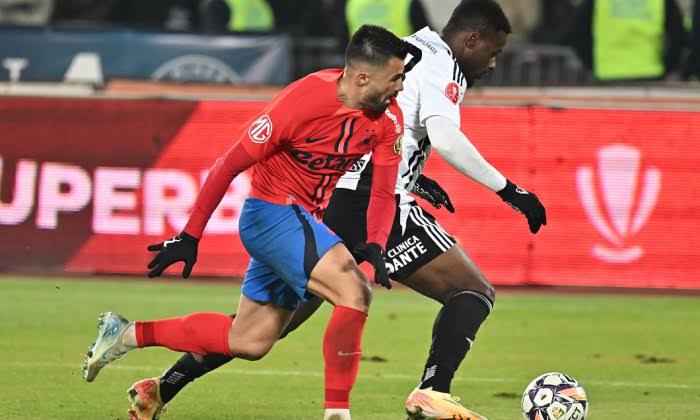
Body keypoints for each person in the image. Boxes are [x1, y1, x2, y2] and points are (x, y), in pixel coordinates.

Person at [125, 1, 547, 419]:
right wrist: (510, 191)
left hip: (335, 199)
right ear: (471, 39)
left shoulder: (410, 48)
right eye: (493, 51)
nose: (492, 63)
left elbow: (385, 132)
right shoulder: (445, 67)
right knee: (472, 291)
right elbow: (446, 137)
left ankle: (161, 387)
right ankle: (431, 392)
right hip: (368, 200)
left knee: (265, 327)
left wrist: (413, 177)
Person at [82, 24, 408, 420]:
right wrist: (190, 235)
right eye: (395, 78)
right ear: (362, 78)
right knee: (354, 291)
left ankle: (126, 334)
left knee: (250, 341)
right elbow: (227, 165)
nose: (400, 87)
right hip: (271, 214)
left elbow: (382, 192)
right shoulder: (301, 103)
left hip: (304, 221)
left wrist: (375, 243)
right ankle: (337, 413)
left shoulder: (389, 119)